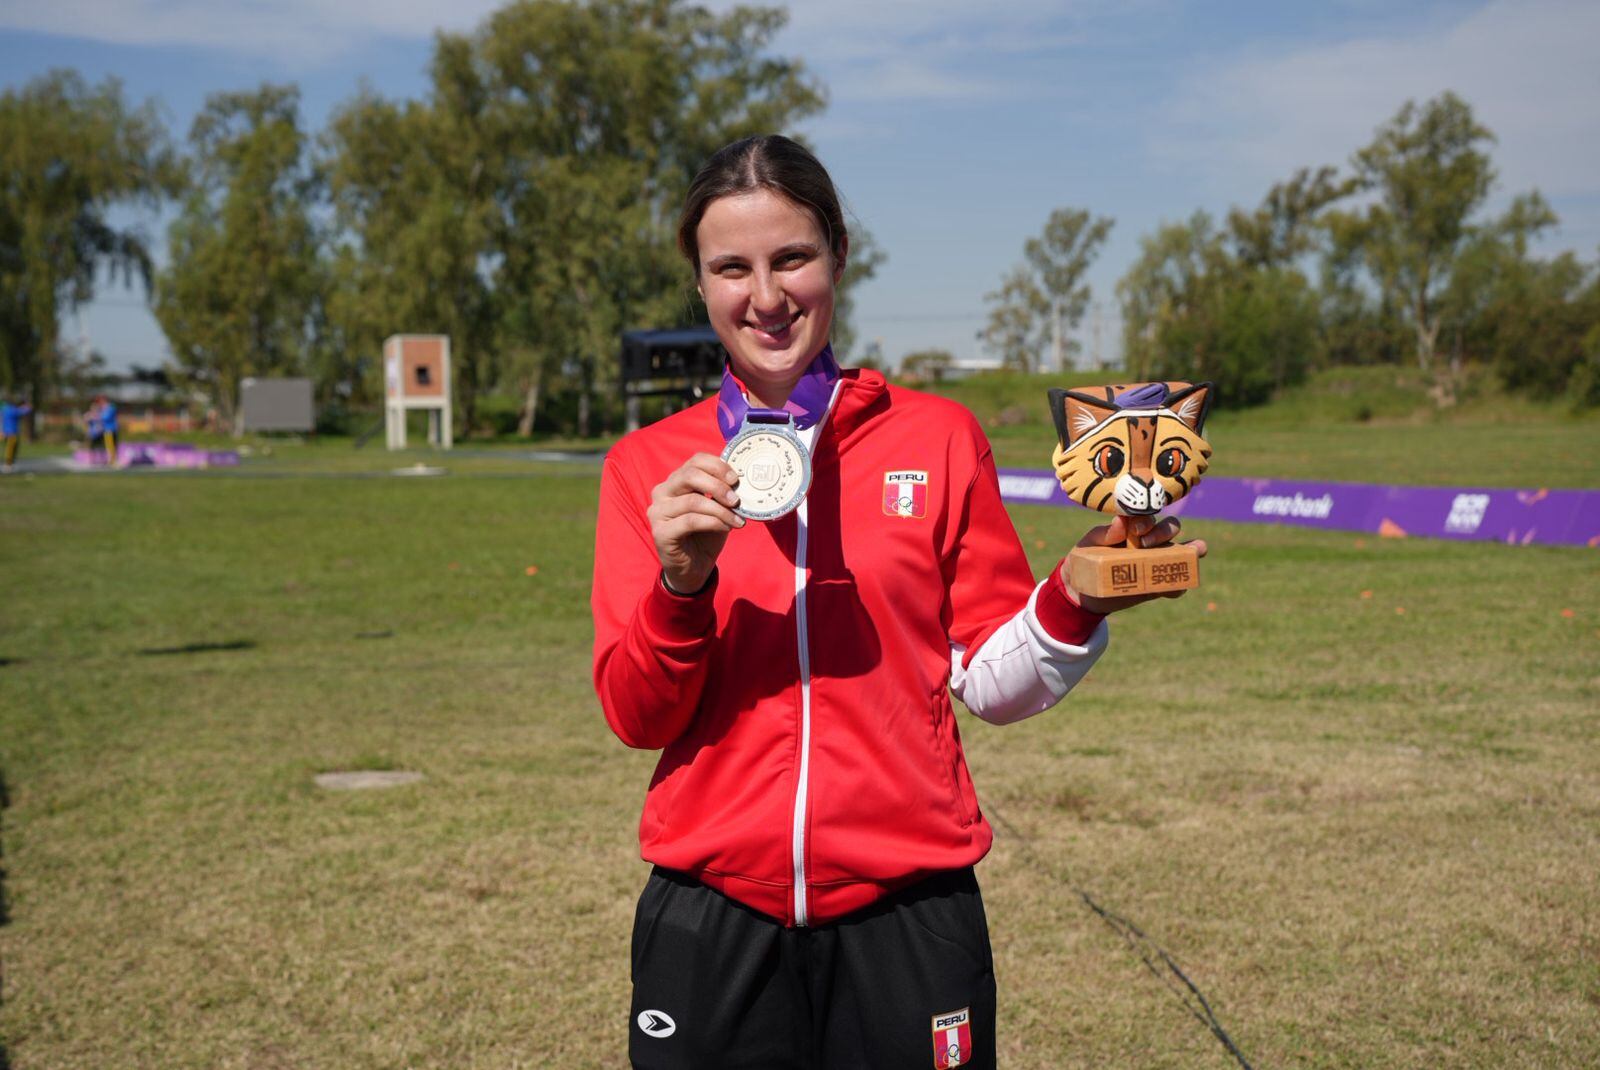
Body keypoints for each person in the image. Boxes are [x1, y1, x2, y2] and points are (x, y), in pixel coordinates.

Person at [591, 135, 1204, 1069]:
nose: (765, 296)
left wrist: (1075, 600)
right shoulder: (649, 467)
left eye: (792, 257)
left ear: (839, 253)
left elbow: (994, 684)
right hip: (713, 914)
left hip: (909, 912)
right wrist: (683, 586)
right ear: (701, 281)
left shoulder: (940, 436)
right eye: (731, 268)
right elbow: (639, 717)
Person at [2, 393, 33, 472]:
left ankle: (10, 464)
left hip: (7, 433)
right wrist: (27, 404)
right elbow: (26, 410)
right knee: (11, 449)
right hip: (12, 433)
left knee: (11, 449)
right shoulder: (12, 410)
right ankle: (8, 465)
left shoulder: (5, 409)